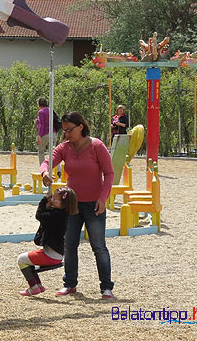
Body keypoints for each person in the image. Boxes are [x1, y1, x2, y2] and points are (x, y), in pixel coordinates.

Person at [40, 111, 115, 299]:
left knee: (99, 247)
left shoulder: (97, 146)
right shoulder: (64, 148)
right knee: (69, 246)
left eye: (69, 130)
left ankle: (106, 287)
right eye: (64, 131)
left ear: (81, 126)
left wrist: (103, 198)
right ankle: (70, 284)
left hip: (94, 205)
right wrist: (44, 173)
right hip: (71, 205)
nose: (66, 134)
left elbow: (109, 173)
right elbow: (47, 162)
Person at [17, 187, 78, 296]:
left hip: (51, 255)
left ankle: (33, 286)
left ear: (65, 204)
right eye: (53, 197)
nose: (53, 199)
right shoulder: (61, 214)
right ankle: (38, 286)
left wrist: (44, 200)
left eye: (56, 199)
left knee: (21, 259)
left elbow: (39, 215)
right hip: (56, 254)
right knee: (28, 259)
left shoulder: (56, 215)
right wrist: (49, 206)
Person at [36, 98, 57, 166]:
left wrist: (39, 135)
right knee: (53, 153)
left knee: (41, 151)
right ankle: (58, 170)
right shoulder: (51, 110)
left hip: (45, 134)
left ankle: (43, 168)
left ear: (39, 104)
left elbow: (41, 124)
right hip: (53, 133)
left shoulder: (41, 112)